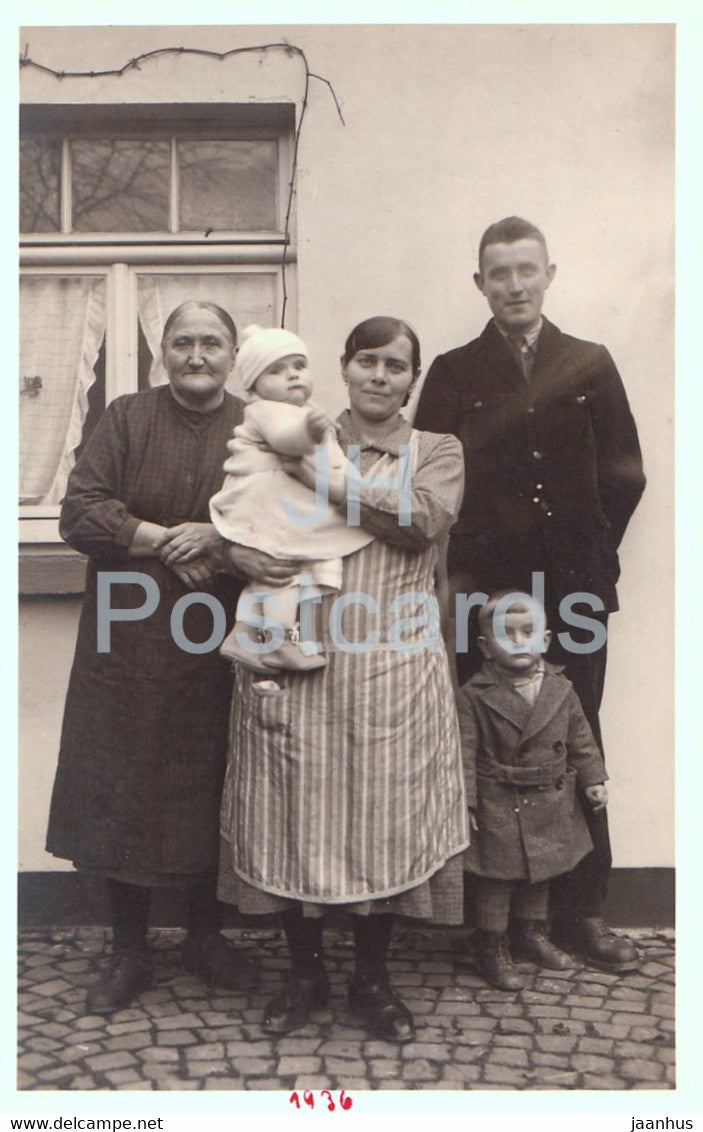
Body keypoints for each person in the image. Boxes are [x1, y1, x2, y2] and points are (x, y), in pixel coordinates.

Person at [216, 316, 470, 1044]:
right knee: (294, 812)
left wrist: (322, 479)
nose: (380, 377)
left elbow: (421, 521)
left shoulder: (437, 451)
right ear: (345, 368)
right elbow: (238, 511)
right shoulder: (293, 433)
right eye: (366, 362)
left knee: (381, 818)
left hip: (390, 665)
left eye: (396, 366)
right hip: (300, 655)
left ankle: (372, 978)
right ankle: (304, 973)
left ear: (412, 380)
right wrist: (240, 556)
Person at [414, 217, 646, 972]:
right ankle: (485, 925)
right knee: (483, 750)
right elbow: (428, 480)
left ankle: (580, 911)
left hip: (572, 590)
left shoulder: (588, 362)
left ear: (550, 273)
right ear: (478, 283)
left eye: (526, 270)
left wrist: (588, 552)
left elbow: (624, 474)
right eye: (498, 273)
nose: (513, 285)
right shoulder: (451, 373)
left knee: (575, 741)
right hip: (481, 596)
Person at [46, 300, 263, 1014]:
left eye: (211, 342)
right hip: (129, 639)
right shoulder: (127, 420)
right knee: (124, 781)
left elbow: (285, 529)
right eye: (182, 342)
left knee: (209, 779)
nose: (196, 355)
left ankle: (206, 937)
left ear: (233, 355)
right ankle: (129, 949)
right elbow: (80, 510)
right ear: (161, 352)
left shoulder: (253, 430)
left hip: (217, 635)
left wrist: (218, 544)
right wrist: (164, 538)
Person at [457, 592, 608, 990]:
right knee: (498, 877)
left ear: (545, 640)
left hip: (549, 795)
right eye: (506, 634)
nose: (519, 641)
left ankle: (532, 934)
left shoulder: (561, 688)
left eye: (529, 632)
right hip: (499, 799)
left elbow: (581, 738)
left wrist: (594, 779)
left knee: (541, 869)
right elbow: (463, 751)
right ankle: (490, 945)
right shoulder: (473, 694)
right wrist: (467, 801)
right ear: (486, 649)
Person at [210, 324, 373, 673]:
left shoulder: (301, 408)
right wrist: (311, 431)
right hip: (266, 500)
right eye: (277, 370)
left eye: (299, 366)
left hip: (273, 499)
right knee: (286, 567)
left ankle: (244, 632)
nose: (292, 376)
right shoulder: (266, 410)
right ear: (254, 385)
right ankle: (279, 638)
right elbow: (287, 440)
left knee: (270, 572)